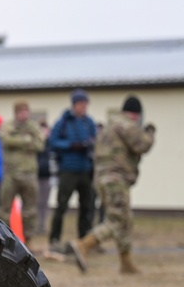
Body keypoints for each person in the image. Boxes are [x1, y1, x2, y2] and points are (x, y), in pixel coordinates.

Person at [70, 95, 155, 274]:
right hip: (115, 179)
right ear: (136, 114)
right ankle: (85, 244)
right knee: (117, 220)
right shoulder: (127, 125)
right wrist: (150, 133)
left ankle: (126, 263)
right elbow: (142, 145)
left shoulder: (109, 125)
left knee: (124, 219)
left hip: (103, 178)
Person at [47, 88, 97, 250]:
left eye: (85, 104)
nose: (84, 107)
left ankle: (84, 240)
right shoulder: (63, 122)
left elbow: (96, 140)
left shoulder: (89, 123)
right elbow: (52, 142)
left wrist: (89, 145)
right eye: (81, 104)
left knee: (87, 205)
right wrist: (71, 145)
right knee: (62, 205)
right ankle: (54, 239)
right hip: (68, 169)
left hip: (85, 169)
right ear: (74, 105)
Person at [0, 101, 45, 250]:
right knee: (5, 209)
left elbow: (40, 144)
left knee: (30, 209)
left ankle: (28, 240)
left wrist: (18, 141)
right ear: (16, 112)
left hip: (29, 173)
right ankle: (3, 238)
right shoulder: (8, 126)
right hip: (11, 174)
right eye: (21, 111)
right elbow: (5, 140)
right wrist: (26, 140)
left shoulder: (34, 127)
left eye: (26, 111)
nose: (24, 114)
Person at [34, 119, 53, 237]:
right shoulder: (35, 144)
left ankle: (42, 224)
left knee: (44, 202)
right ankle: (35, 225)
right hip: (35, 176)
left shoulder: (50, 144)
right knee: (36, 202)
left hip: (47, 176)